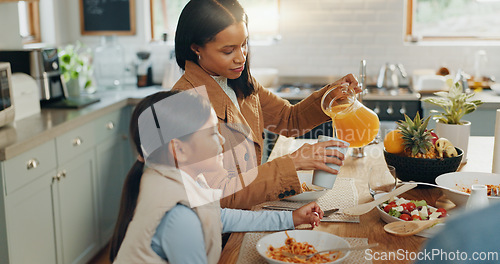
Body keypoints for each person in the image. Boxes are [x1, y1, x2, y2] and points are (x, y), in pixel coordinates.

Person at [172, 0, 361, 209]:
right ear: (196, 47)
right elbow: (219, 195)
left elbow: (289, 119)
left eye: (244, 44)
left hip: (250, 208)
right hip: (218, 231)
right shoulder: (184, 103)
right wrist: (293, 162)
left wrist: (331, 96)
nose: (241, 57)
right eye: (228, 51)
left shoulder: (240, 82)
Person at [109, 90, 325, 263]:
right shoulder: (179, 217)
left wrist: (291, 218)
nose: (222, 141)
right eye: (212, 133)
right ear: (180, 150)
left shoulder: (170, 180)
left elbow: (220, 217)